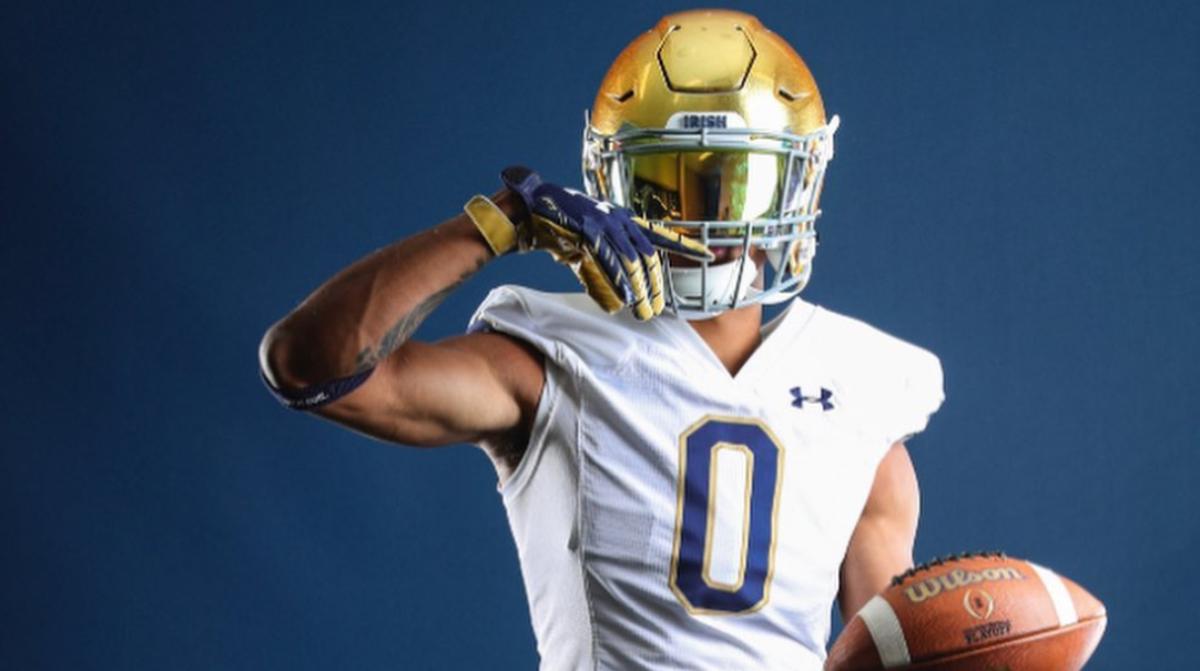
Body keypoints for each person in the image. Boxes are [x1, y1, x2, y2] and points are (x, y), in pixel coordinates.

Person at [259, 9, 943, 670]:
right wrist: (500, 223)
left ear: (797, 187)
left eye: (735, 184)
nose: (705, 217)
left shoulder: (864, 400)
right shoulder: (548, 361)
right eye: (666, 187)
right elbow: (307, 364)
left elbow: (892, 656)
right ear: (610, 187)